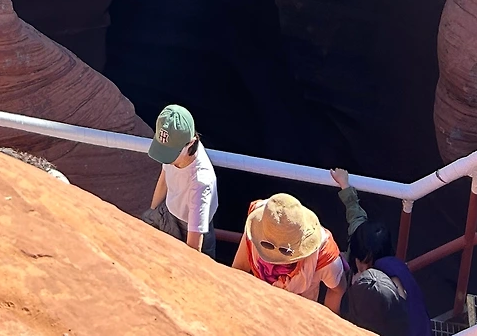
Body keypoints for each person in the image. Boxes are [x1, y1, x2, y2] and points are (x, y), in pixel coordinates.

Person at [333, 169, 429, 336]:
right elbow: (356, 216)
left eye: (364, 262)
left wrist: (356, 286)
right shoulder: (388, 261)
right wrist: (344, 185)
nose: (361, 266)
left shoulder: (385, 292)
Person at [232, 191, 346, 305]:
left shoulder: (324, 254)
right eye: (267, 245)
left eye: (285, 251)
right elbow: (239, 269)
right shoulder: (259, 225)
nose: (275, 259)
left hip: (299, 310)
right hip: (256, 304)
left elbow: (338, 290)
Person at [141, 103, 218, 257]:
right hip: (167, 211)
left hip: (187, 227)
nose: (166, 158)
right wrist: (153, 212)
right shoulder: (175, 145)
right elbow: (164, 179)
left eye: (169, 153)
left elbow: (194, 247)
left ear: (190, 144)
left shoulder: (200, 182)